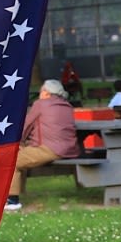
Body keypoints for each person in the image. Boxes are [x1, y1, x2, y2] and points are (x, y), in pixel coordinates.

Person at [5, 78, 79, 212]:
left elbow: (25, 128)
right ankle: (17, 193)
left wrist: (17, 142)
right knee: (23, 156)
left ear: (45, 92)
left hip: (49, 149)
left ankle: (12, 201)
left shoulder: (40, 104)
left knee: (12, 161)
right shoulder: (67, 106)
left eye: (41, 90)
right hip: (70, 150)